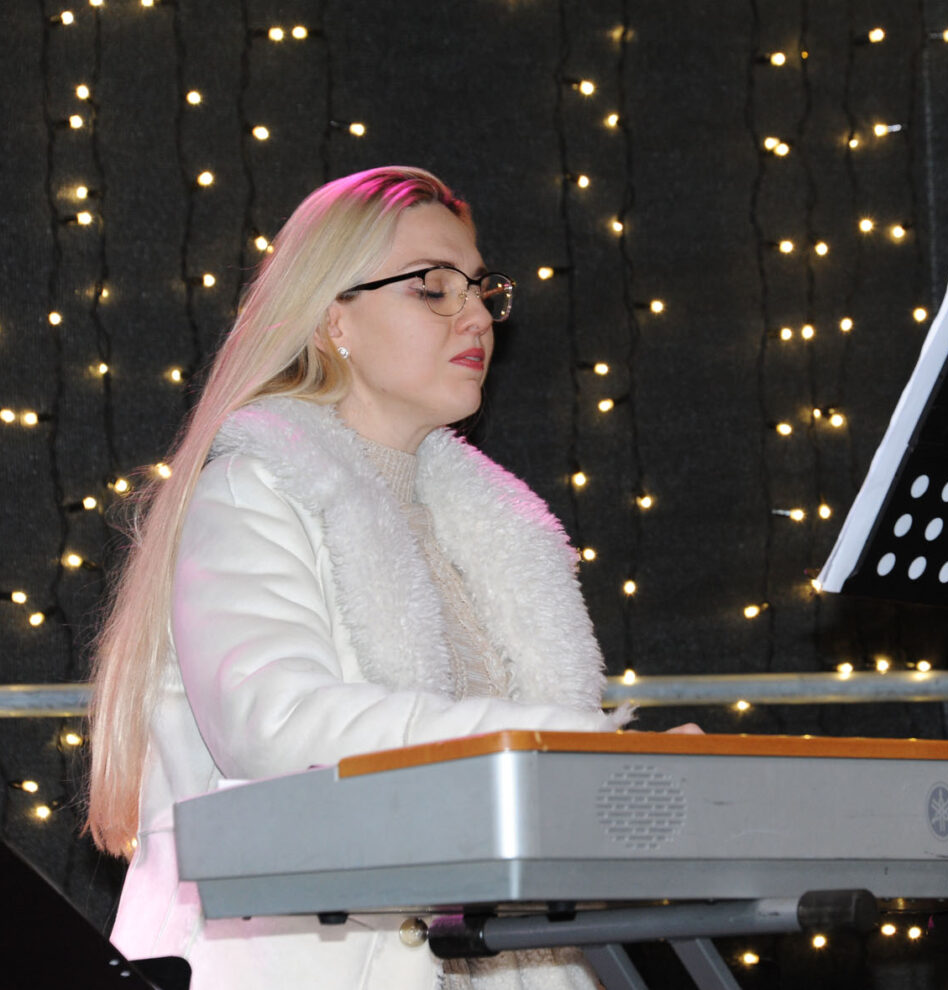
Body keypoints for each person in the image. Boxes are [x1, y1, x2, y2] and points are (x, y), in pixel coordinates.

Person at [86, 166, 675, 989]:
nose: (477, 315)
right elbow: (278, 724)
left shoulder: (492, 531)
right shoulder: (253, 489)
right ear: (334, 317)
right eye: (433, 287)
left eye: (481, 288)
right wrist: (560, 747)